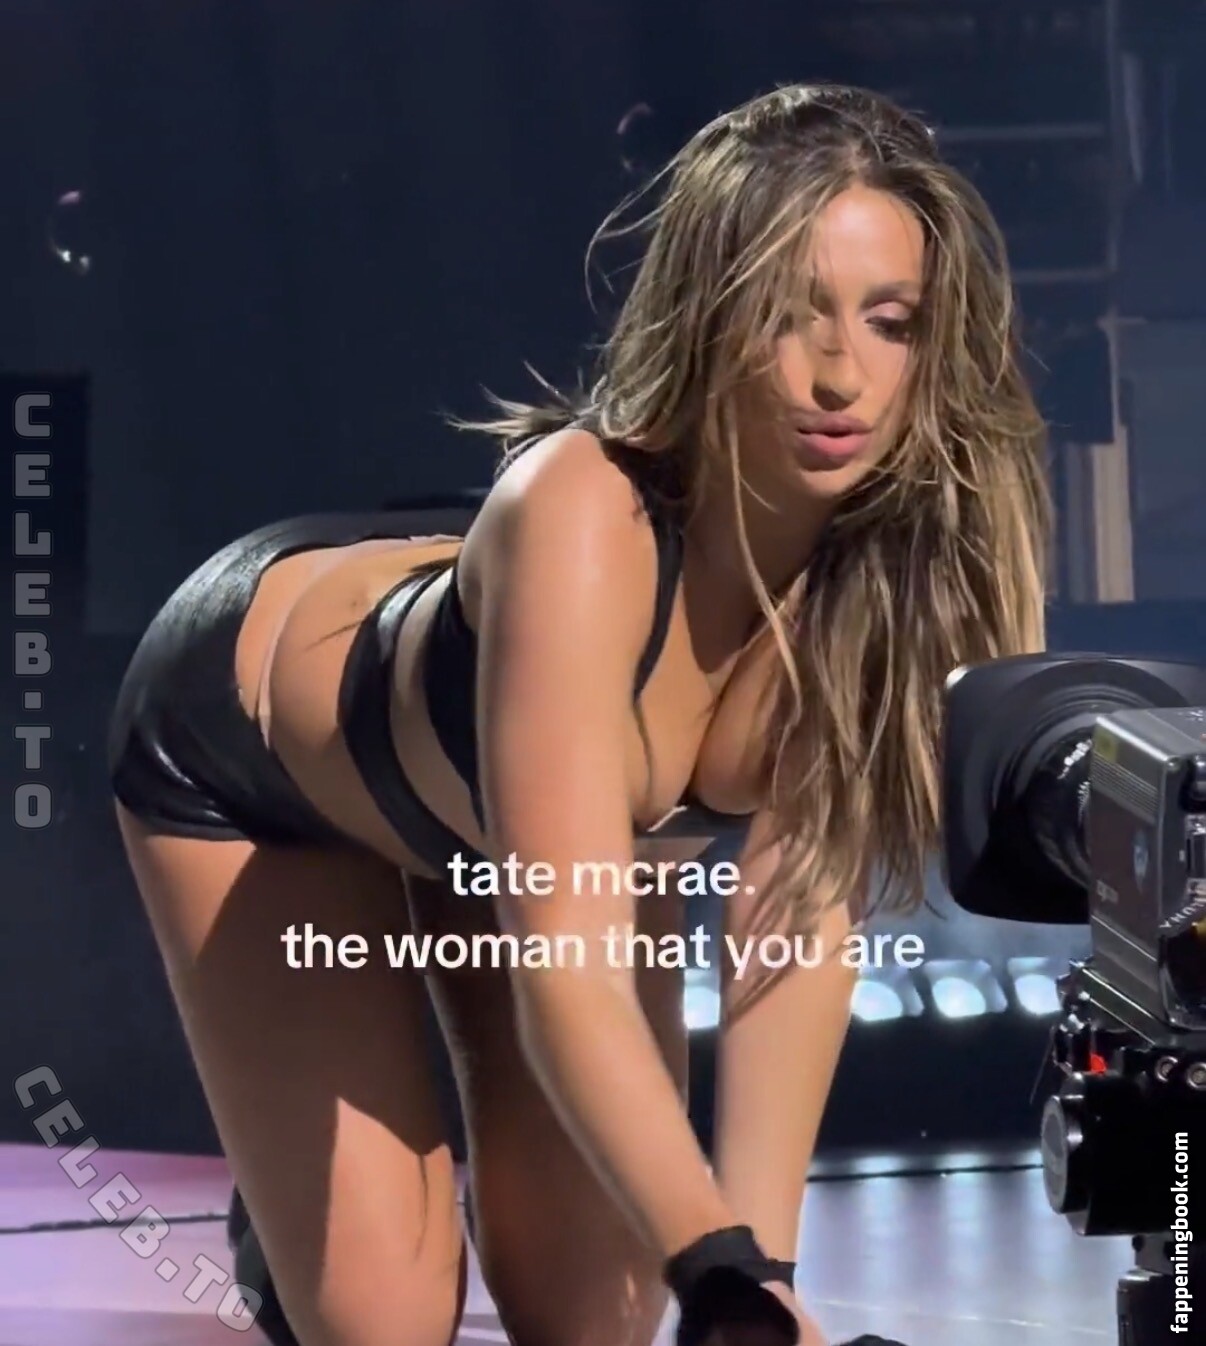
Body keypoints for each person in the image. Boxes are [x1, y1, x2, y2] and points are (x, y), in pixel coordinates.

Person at [108, 82, 1050, 1346]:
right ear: (712, 315)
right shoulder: (583, 508)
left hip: (522, 817)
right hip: (257, 763)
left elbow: (794, 925)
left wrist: (757, 1278)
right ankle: (287, 1219)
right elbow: (568, 963)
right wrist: (711, 1260)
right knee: (385, 1324)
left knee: (597, 1315)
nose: (842, 375)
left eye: (890, 322)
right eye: (789, 313)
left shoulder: (878, 584)